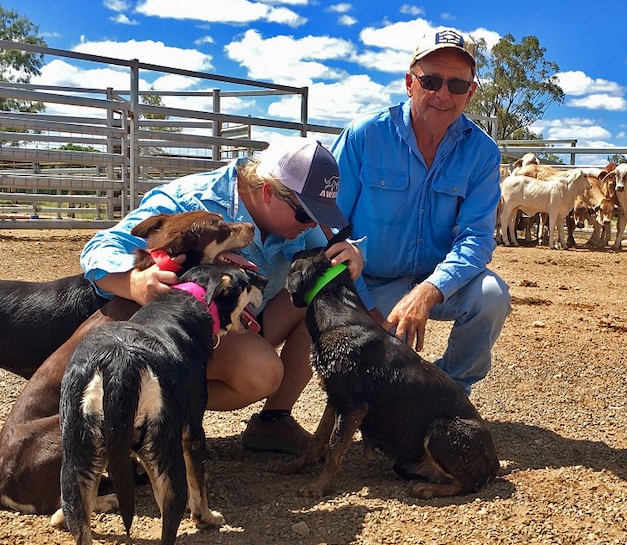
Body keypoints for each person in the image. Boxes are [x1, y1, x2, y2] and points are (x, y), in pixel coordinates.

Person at [79, 138, 364, 454]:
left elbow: (325, 262)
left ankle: (273, 422)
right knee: (262, 372)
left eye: (319, 217)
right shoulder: (192, 201)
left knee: (321, 288)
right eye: (305, 215)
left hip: (233, 326)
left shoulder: (294, 223)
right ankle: (146, 414)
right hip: (176, 338)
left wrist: (348, 259)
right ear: (269, 192)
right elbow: (99, 247)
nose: (313, 226)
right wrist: (134, 281)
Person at [331, 28, 511, 395]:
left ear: (471, 92)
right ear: (409, 82)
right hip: (369, 282)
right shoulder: (364, 135)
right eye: (431, 81)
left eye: (457, 85)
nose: (443, 94)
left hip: (437, 279)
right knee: (374, 386)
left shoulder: (483, 154)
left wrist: (429, 290)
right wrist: (369, 308)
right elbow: (330, 225)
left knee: (492, 296)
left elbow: (476, 239)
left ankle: (450, 391)